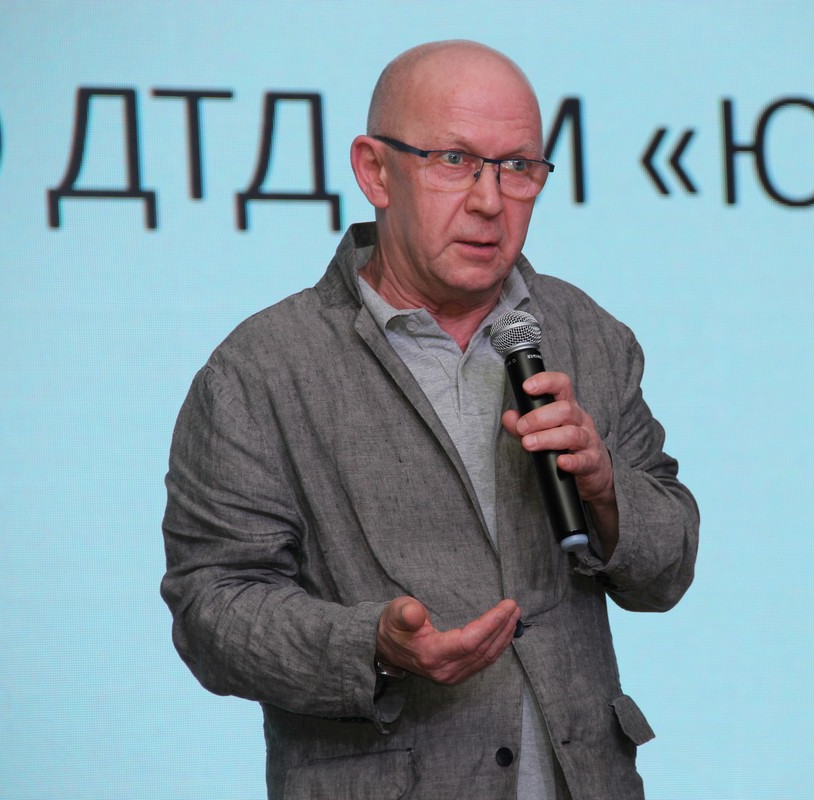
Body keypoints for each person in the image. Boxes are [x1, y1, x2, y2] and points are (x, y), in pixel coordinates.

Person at [161, 40, 698, 800]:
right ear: (374, 171)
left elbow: (668, 567)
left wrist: (607, 491)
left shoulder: (588, 334)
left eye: (518, 167)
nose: (490, 201)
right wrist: (374, 646)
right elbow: (212, 609)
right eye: (454, 160)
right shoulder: (262, 369)